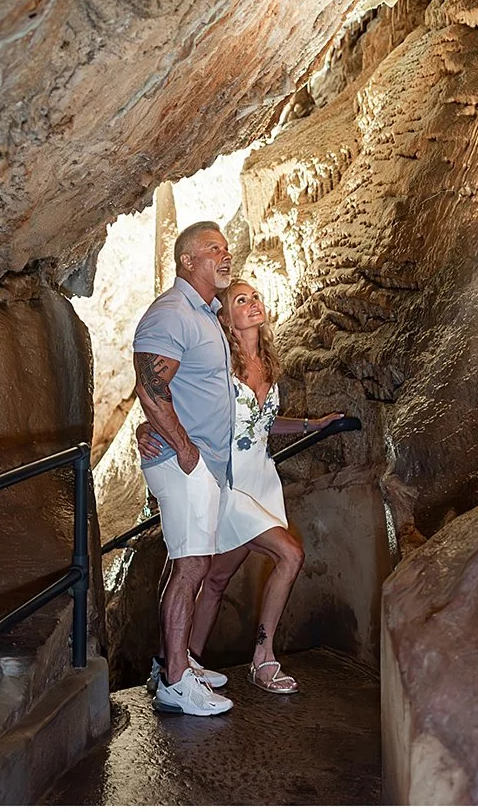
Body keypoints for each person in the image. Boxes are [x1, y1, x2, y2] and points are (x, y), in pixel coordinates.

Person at [140, 280, 342, 694]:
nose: (253, 304)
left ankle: (181, 663)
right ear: (225, 317)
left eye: (255, 297)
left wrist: (311, 425)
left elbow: (263, 425)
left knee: (215, 580)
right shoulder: (220, 365)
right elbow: (169, 394)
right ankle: (263, 660)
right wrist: (148, 426)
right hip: (226, 481)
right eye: (241, 300)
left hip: (261, 481)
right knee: (290, 554)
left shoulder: (267, 362)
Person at [131, 221, 238, 716]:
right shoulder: (172, 314)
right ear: (187, 261)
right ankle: (175, 680)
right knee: (192, 565)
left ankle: (178, 663)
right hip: (183, 463)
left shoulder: (205, 315)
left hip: (200, 464)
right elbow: (152, 390)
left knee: (189, 564)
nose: (225, 254)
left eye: (226, 247)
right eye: (213, 248)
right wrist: (185, 450)